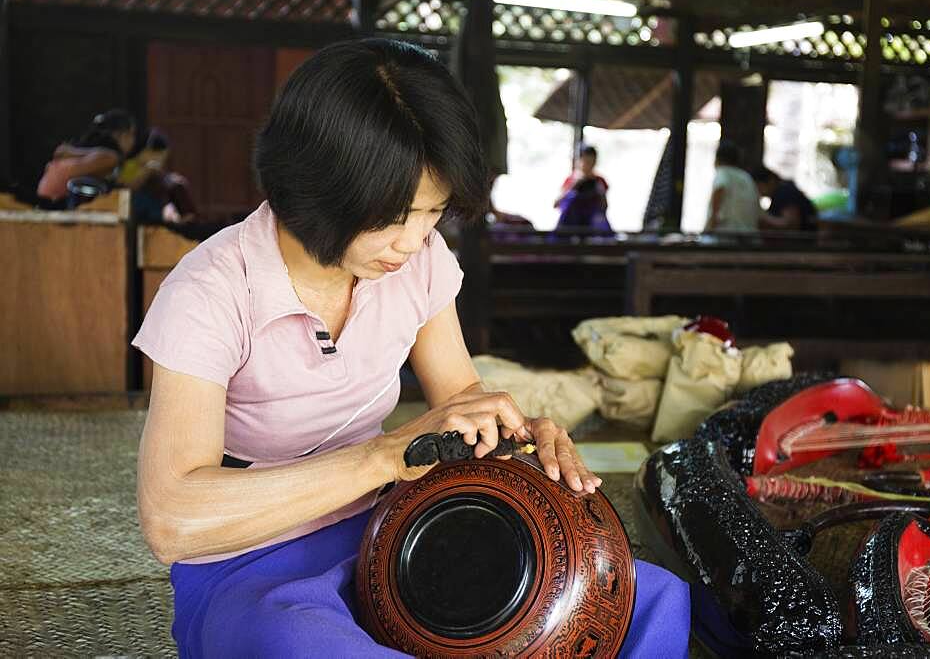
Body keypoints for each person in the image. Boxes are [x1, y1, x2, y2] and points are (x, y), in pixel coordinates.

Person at [132, 39, 689, 658]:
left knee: (644, 597)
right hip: (250, 555)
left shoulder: (417, 261)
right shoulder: (209, 290)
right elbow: (172, 519)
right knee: (294, 638)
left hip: (392, 522)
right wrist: (381, 458)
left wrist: (523, 436)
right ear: (314, 185)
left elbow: (460, 396)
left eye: (433, 213)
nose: (413, 240)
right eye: (395, 215)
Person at [36, 109, 137, 208]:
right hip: (55, 207)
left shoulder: (80, 153)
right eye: (132, 134)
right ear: (121, 135)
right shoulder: (109, 157)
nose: (134, 141)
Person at [118, 127, 199, 225]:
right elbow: (125, 190)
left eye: (163, 156)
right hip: (130, 213)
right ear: (145, 152)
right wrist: (146, 172)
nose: (161, 160)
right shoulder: (129, 166)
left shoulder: (163, 178)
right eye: (158, 155)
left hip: (156, 218)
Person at [554, 145, 612, 234]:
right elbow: (556, 204)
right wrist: (575, 186)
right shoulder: (571, 180)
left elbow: (604, 207)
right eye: (586, 161)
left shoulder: (599, 181)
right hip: (571, 224)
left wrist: (600, 192)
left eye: (592, 162)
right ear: (580, 161)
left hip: (592, 225)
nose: (589, 165)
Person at [705, 140, 759, 233]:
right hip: (749, 237)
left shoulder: (722, 172)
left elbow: (720, 188)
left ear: (717, 158)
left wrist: (709, 228)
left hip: (726, 237)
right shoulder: (746, 177)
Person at [752, 166, 819, 231]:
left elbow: (790, 223)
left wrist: (761, 216)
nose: (757, 191)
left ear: (771, 181)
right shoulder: (781, 192)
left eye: (758, 186)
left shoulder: (784, 192)